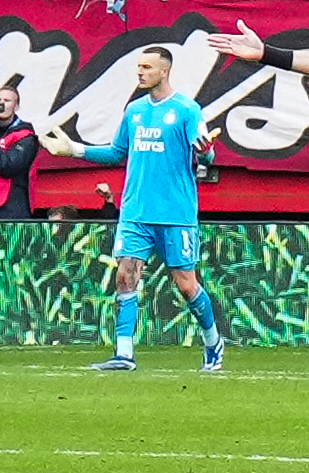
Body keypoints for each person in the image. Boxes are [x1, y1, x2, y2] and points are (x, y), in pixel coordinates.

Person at [94, 66, 224, 375]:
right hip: (136, 212)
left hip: (175, 214)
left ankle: (213, 341)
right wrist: (71, 150)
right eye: (138, 67)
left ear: (164, 71)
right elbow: (116, 153)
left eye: (146, 68)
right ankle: (124, 354)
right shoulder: (135, 110)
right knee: (125, 275)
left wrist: (207, 152)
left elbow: (205, 153)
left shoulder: (187, 110)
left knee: (186, 285)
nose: (139, 73)